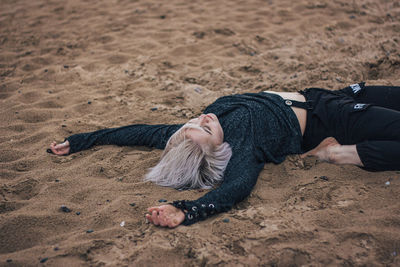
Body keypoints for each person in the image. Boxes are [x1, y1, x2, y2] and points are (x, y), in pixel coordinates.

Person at [49, 83, 400, 228]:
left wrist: (82, 141)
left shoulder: (190, 136)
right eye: (205, 130)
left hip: (320, 96)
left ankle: (331, 149)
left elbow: (136, 132)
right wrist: (185, 210)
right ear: (218, 151)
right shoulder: (240, 148)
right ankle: (346, 154)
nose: (202, 119)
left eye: (191, 124)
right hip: (335, 119)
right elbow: (236, 188)